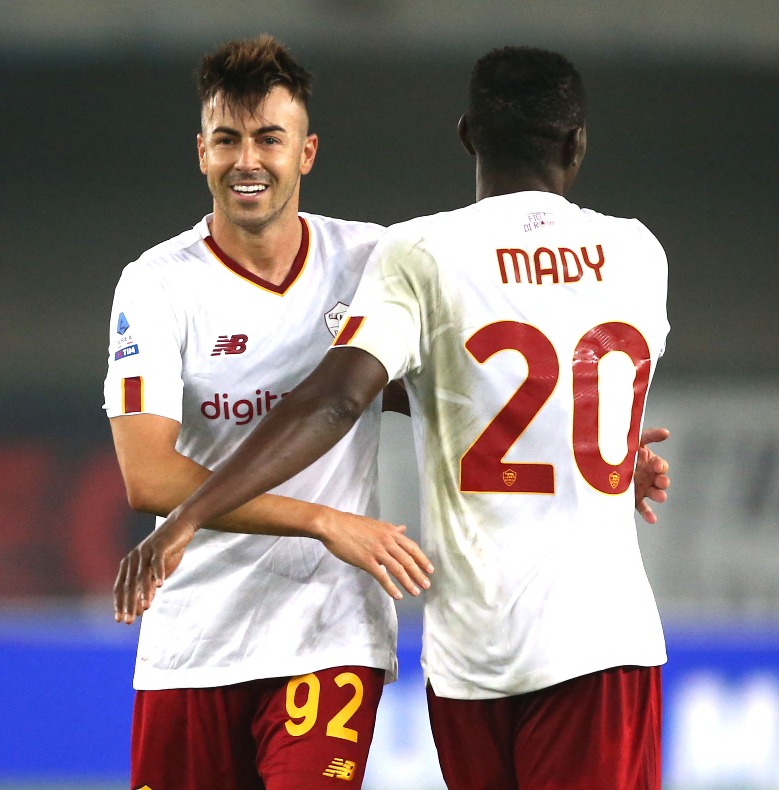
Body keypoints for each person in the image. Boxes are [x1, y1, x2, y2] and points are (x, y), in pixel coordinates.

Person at [141, 46, 673, 788]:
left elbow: (337, 398)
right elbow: (541, 370)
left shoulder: (423, 249)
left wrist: (191, 512)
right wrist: (601, 445)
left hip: (468, 657)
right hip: (598, 637)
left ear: (465, 135)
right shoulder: (637, 252)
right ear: (575, 142)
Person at [102, 34, 434, 790]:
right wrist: (323, 518)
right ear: (200, 152)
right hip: (194, 638)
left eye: (267, 139)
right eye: (227, 140)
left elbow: (458, 390)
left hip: (328, 633)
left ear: (306, 152)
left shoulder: (372, 262)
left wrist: (598, 434)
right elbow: (148, 477)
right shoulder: (156, 284)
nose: (246, 160)